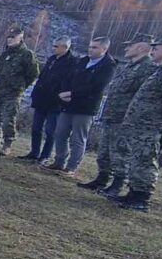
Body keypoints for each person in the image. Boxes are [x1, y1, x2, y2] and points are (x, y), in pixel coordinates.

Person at [113, 34, 162, 212]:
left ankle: (141, 197)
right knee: (137, 158)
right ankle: (133, 192)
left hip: (152, 125)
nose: (152, 51)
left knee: (146, 159)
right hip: (142, 124)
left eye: (156, 48)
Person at [79, 33, 156, 195]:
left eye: (130, 45)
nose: (126, 48)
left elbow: (145, 95)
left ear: (141, 47)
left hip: (126, 118)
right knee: (105, 151)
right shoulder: (130, 65)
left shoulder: (148, 68)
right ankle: (102, 179)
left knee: (120, 152)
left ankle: (117, 184)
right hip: (113, 115)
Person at [46, 37, 116, 177]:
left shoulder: (108, 66)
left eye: (95, 47)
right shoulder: (83, 61)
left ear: (104, 49)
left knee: (78, 138)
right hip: (69, 103)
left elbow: (96, 87)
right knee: (60, 133)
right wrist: (64, 93)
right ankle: (59, 161)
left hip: (86, 107)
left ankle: (71, 167)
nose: (91, 49)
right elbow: (69, 78)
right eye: (90, 46)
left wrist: (72, 93)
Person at [0, 26, 39, 155]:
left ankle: (7, 145)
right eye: (8, 37)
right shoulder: (6, 53)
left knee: (8, 119)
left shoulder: (27, 54)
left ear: (20, 38)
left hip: (13, 93)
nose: (9, 40)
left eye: (13, 38)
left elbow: (33, 74)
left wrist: (20, 86)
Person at [21, 36, 79, 161]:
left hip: (56, 102)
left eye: (56, 46)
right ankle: (34, 152)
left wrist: (62, 96)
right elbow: (42, 77)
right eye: (53, 46)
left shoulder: (72, 62)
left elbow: (70, 82)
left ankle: (45, 156)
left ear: (65, 47)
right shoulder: (52, 59)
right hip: (41, 99)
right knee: (36, 128)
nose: (53, 48)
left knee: (50, 131)